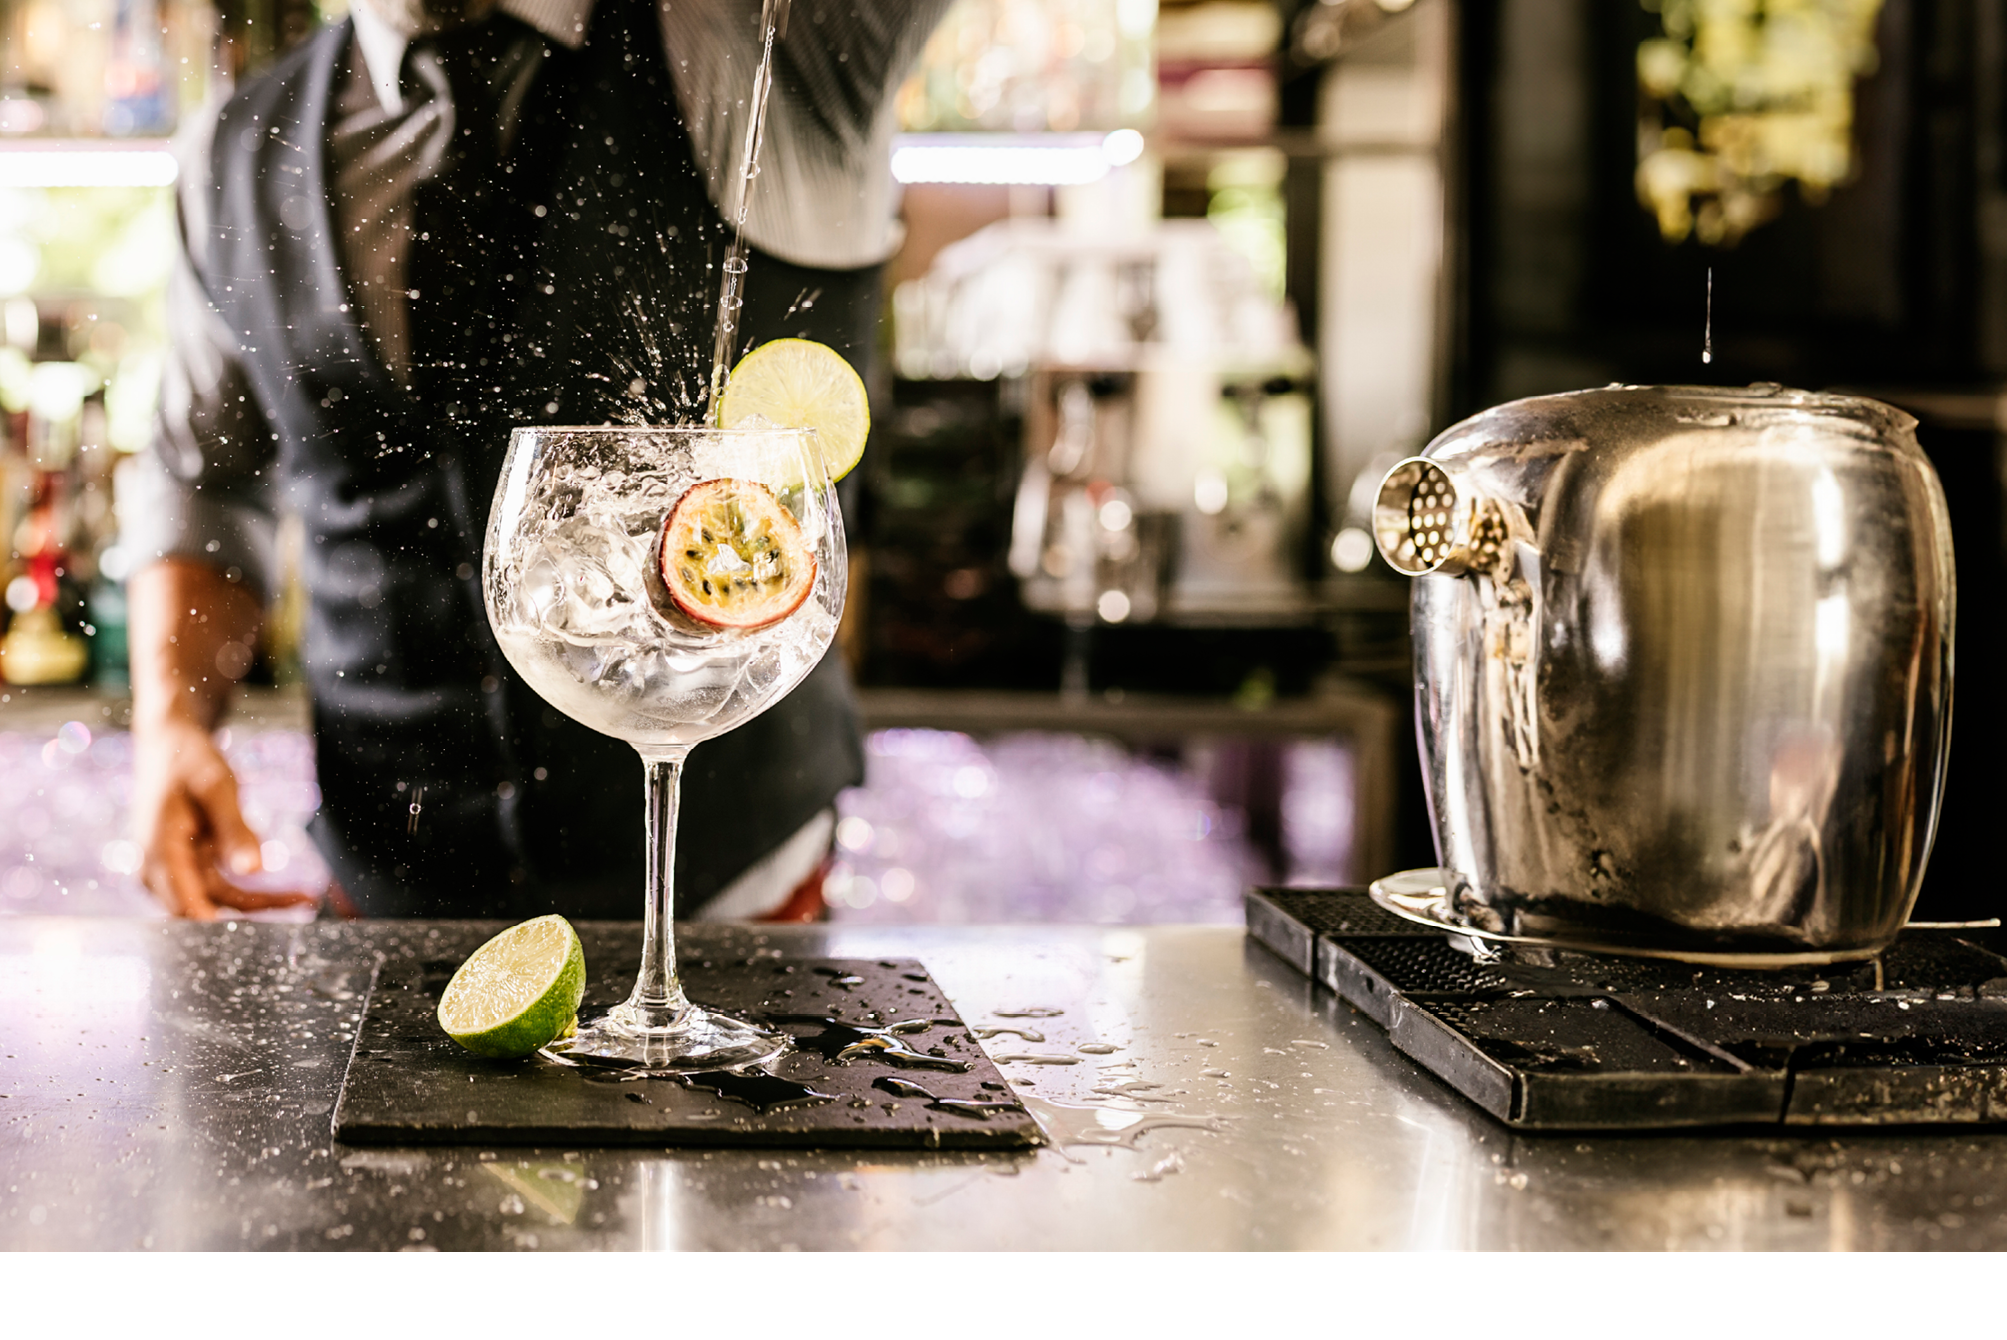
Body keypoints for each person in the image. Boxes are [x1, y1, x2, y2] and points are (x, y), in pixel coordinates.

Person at [126, 0, 947, 921]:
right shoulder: (232, 154)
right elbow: (208, 481)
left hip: (730, 913)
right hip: (387, 905)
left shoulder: (777, 43)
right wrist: (172, 723)